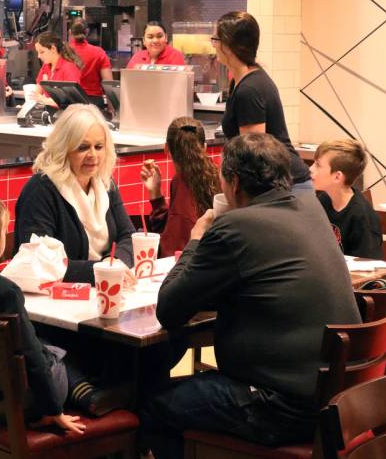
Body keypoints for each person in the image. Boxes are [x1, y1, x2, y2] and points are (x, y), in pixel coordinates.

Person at [140, 133, 361, 458]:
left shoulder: (235, 227)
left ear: (234, 183)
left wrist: (197, 239)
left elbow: (169, 310)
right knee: (187, 366)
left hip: (277, 404)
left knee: (153, 402)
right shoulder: (311, 208)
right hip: (334, 395)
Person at [0, 191, 130, 434]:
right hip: (22, 401)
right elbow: (32, 357)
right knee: (54, 352)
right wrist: (53, 412)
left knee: (42, 345)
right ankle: (84, 392)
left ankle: (85, 391)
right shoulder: (4, 291)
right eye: (4, 232)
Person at [15, 104, 135, 284]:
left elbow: (128, 237)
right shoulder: (41, 189)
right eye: (83, 147)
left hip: (101, 288)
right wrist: (100, 270)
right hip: (50, 298)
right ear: (64, 148)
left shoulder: (105, 183)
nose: (93, 155)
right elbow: (40, 260)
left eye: (99, 146)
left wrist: (116, 262)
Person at [212, 11, 311, 189]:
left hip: (287, 186)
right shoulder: (242, 79)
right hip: (280, 181)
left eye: (215, 39)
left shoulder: (249, 89)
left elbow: (253, 155)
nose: (213, 45)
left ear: (228, 45)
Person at [140, 116, 220, 257]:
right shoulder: (219, 175)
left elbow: (171, 251)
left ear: (166, 148)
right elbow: (172, 229)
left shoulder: (182, 183)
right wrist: (156, 194)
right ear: (205, 148)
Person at [310, 139, 382, 259]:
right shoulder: (323, 200)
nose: (310, 169)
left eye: (318, 165)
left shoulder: (361, 217)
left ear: (337, 176)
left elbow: (368, 268)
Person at [69, 21, 113, 109]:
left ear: (70, 32)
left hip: (69, 102)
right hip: (93, 104)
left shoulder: (62, 52)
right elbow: (108, 84)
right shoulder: (98, 52)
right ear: (87, 31)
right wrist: (111, 109)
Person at [33, 31, 82, 108]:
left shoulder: (69, 68)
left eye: (42, 52)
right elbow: (36, 93)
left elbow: (72, 101)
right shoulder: (45, 66)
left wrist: (44, 100)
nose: (38, 56)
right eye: (37, 52)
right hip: (50, 112)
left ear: (53, 48)